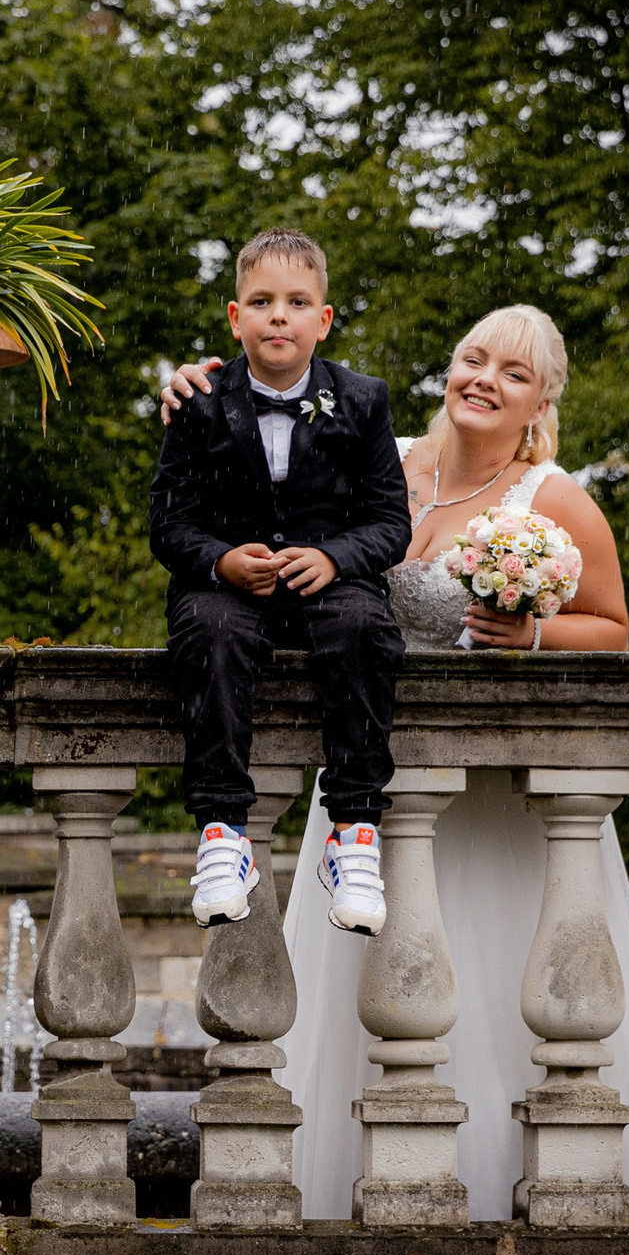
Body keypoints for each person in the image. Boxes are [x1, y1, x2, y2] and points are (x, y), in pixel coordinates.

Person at [159, 303, 629, 1221]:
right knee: (359, 994)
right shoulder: (372, 447)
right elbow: (266, 423)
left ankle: (504, 1190)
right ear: (450, 366)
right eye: (475, 358)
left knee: (500, 992)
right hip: (369, 773)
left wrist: (532, 630)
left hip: (495, 807)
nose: (486, 379)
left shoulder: (553, 500)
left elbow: (615, 629)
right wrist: (198, 387)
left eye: (514, 373)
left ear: (542, 400)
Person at [148, 227, 411, 936]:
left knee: (364, 627)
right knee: (210, 629)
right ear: (235, 317)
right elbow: (168, 524)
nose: (278, 315)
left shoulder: (362, 400)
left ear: (322, 319)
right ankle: (222, 832)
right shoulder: (197, 401)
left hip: (332, 584)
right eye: (261, 301)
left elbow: (391, 522)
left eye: (297, 301)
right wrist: (221, 558)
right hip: (227, 588)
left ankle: (354, 830)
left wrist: (335, 557)